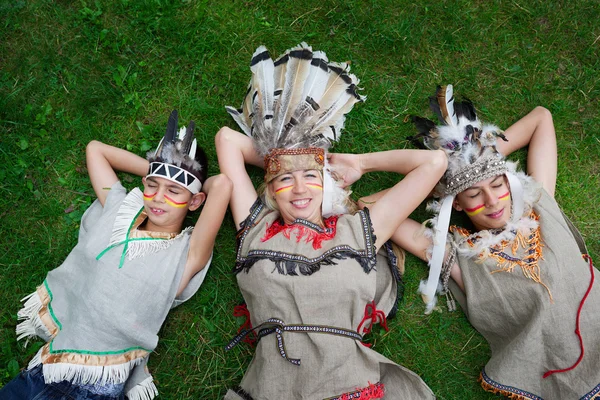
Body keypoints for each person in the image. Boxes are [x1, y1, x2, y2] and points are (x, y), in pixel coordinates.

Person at [216, 43, 445, 399]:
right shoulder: (254, 228)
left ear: (327, 186)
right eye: (284, 182)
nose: (298, 189)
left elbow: (433, 164)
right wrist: (287, 158)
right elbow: (226, 140)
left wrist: (360, 164)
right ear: (271, 191)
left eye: (311, 179)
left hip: (349, 386)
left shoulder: (359, 231)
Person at [353, 85, 599, 399]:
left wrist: (481, 158)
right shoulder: (453, 254)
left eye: (498, 186)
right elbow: (369, 207)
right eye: (473, 195)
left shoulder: (539, 205)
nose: (493, 200)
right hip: (558, 369)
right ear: (457, 205)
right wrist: (440, 182)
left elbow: (541, 119)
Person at [0, 110, 232, 400]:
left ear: (196, 201)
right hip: (44, 369)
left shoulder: (185, 253)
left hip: (97, 389)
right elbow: (96, 150)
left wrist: (192, 182)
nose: (159, 197)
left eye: (174, 191)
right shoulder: (120, 209)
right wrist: (156, 170)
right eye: (152, 185)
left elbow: (222, 184)